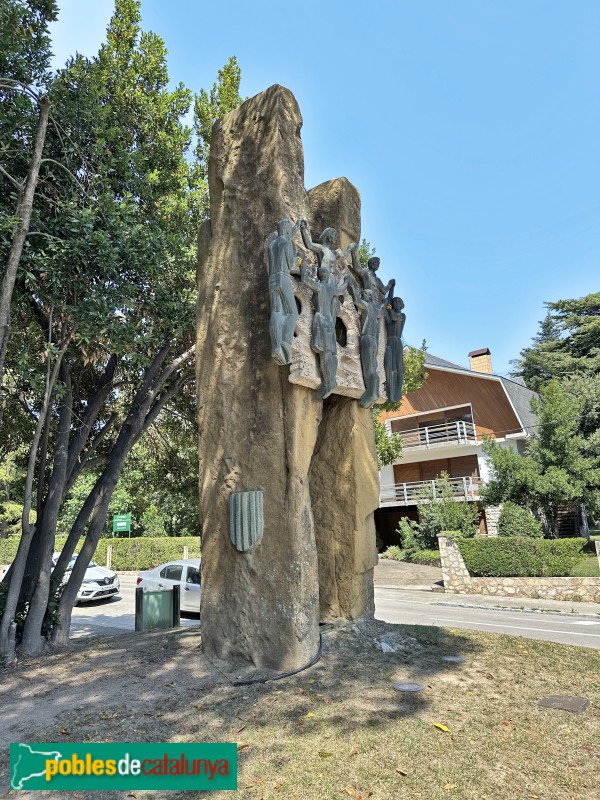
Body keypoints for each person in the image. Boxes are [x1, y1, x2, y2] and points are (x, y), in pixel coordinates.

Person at [300, 259, 350, 399]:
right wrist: (346, 280)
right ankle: (331, 379)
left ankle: (328, 381)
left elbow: (304, 278)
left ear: (320, 276)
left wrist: (302, 264)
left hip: (321, 319)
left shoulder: (320, 287)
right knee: (331, 352)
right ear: (328, 276)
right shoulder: (332, 289)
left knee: (324, 353)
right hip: (330, 321)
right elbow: (342, 289)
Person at [266, 218, 302, 365]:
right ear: (286, 229)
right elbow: (291, 264)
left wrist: (297, 227)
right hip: (283, 277)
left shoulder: (272, 244)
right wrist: (299, 258)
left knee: (276, 311)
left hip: (272, 278)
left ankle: (276, 345)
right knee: (292, 313)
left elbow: (286, 237)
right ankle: (285, 345)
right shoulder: (287, 243)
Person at [350, 286, 386, 408]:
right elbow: (383, 311)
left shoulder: (367, 305)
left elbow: (356, 299)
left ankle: (371, 392)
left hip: (366, 339)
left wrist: (350, 284)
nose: (362, 294)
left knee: (368, 368)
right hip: (374, 342)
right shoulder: (376, 310)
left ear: (369, 297)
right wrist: (384, 301)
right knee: (373, 367)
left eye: (364, 293)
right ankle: (374, 391)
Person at [383, 287, 406, 404]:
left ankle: (396, 392)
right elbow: (388, 310)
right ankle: (390, 392)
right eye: (394, 301)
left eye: (398, 301)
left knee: (398, 367)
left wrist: (389, 307)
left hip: (397, 342)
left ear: (402, 305)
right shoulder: (390, 313)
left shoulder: (402, 316)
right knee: (389, 365)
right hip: (389, 341)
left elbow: (393, 316)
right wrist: (391, 289)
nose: (395, 302)